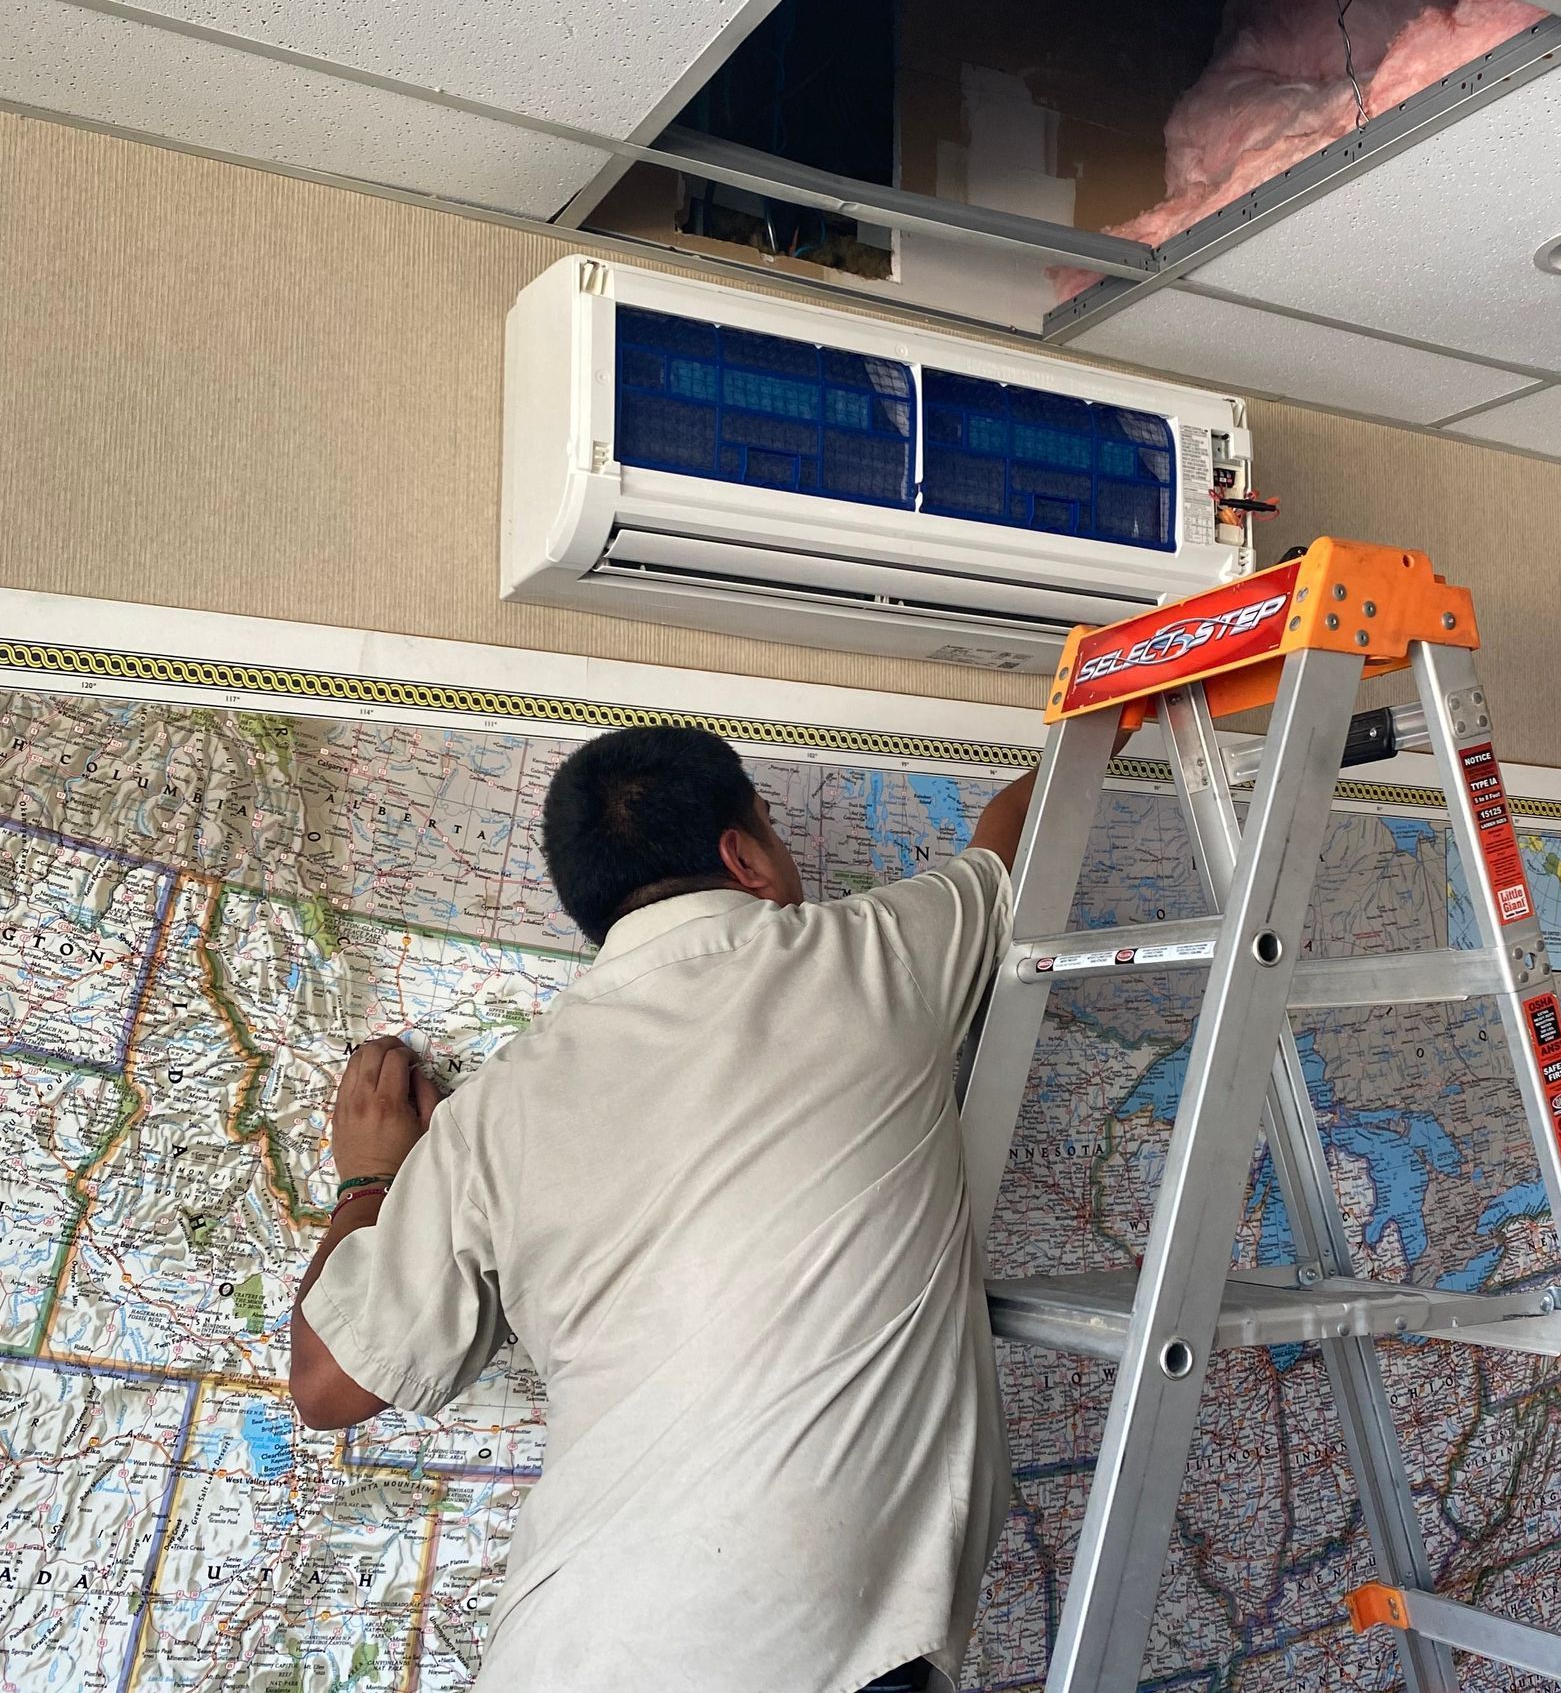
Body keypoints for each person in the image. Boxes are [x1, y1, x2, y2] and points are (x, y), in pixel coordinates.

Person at [289, 722, 1051, 1693]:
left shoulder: (495, 1113)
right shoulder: (875, 957)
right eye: (773, 827)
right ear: (743, 856)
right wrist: (1109, 713)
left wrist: (369, 1179)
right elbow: (1018, 835)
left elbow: (329, 1385)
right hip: (804, 1663)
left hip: (564, 1658)